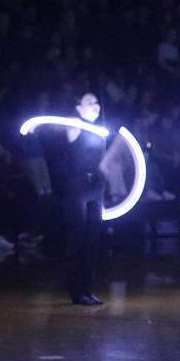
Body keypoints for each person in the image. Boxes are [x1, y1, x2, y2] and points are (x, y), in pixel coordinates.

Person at [65, 92, 108, 306]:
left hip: (96, 188)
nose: (95, 105)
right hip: (78, 188)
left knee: (92, 241)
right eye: (89, 102)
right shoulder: (74, 125)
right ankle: (76, 291)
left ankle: (88, 289)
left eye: (96, 101)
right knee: (77, 240)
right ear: (78, 108)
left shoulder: (100, 132)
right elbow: (62, 124)